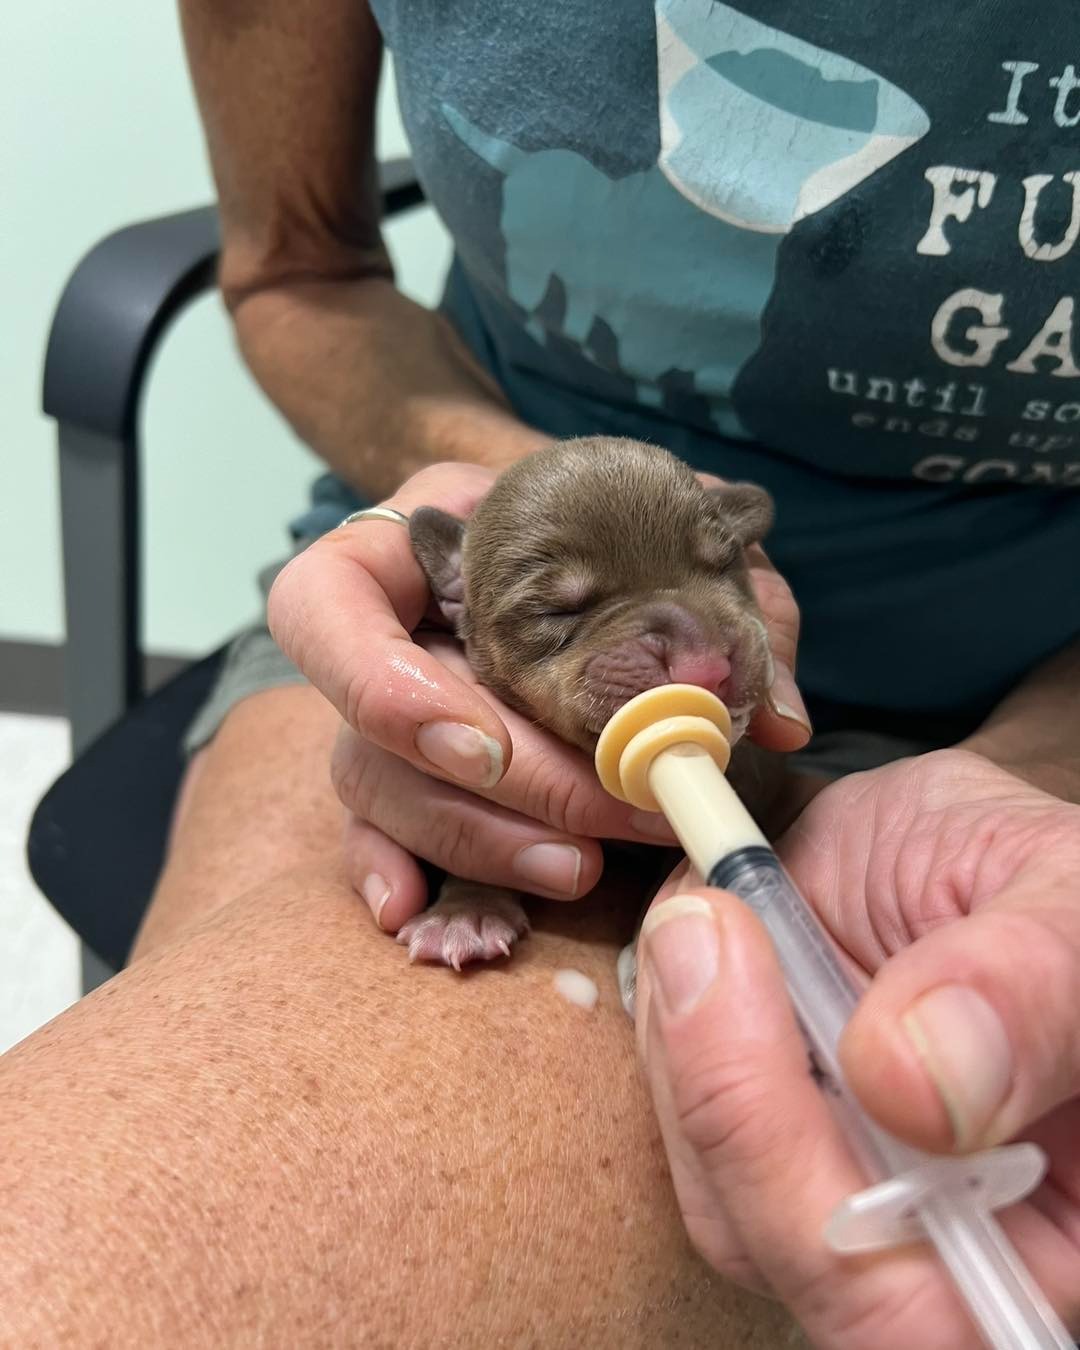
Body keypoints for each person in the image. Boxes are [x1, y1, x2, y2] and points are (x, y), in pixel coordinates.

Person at [3, 3, 1078, 1346]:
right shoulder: (484, 604)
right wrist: (502, 520)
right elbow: (295, 273)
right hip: (468, 605)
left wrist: (1039, 753)